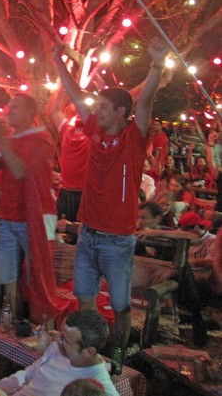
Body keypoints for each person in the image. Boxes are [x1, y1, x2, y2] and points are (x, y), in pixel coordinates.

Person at [53, 37, 169, 355]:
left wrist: (157, 65)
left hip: (118, 240)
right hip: (88, 233)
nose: (96, 111)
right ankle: (92, 355)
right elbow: (76, 96)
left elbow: (144, 102)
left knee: (120, 305)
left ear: (121, 112)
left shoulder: (134, 139)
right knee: (86, 299)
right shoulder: (95, 132)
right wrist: (58, 63)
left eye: (103, 107)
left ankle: (117, 356)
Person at [0, 93, 67, 321]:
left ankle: (41, 326)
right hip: (8, 217)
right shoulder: (9, 141)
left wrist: (0, 140)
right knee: (7, 277)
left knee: (37, 275)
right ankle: (8, 325)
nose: (9, 111)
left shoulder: (42, 139)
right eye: (10, 106)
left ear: (31, 114)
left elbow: (20, 171)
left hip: (36, 218)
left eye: (16, 107)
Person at [0, 310, 119, 396]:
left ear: (88, 351)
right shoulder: (57, 349)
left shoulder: (99, 385)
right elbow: (32, 371)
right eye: (61, 334)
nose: (57, 340)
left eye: (65, 339)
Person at [50, 90, 90, 222]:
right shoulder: (67, 129)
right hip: (65, 191)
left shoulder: (96, 135)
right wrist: (64, 88)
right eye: (77, 112)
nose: (78, 114)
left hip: (85, 194)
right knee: (60, 230)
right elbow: (55, 111)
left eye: (82, 112)